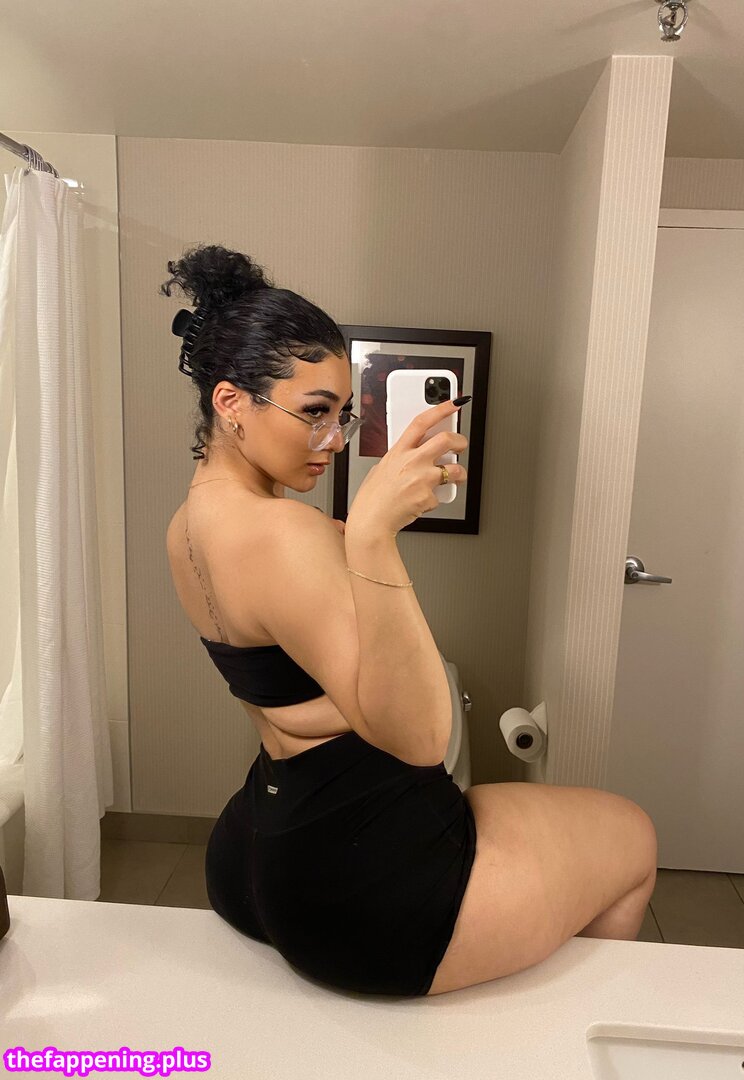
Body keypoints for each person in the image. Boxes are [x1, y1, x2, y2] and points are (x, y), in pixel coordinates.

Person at [163, 244, 657, 998]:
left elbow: (283, 685)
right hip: (361, 884)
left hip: (254, 844)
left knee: (525, 815)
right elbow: (425, 741)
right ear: (231, 402)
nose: (334, 440)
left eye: (342, 415)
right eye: (314, 413)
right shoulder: (284, 533)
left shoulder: (188, 525)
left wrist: (344, 567)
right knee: (632, 836)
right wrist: (371, 539)